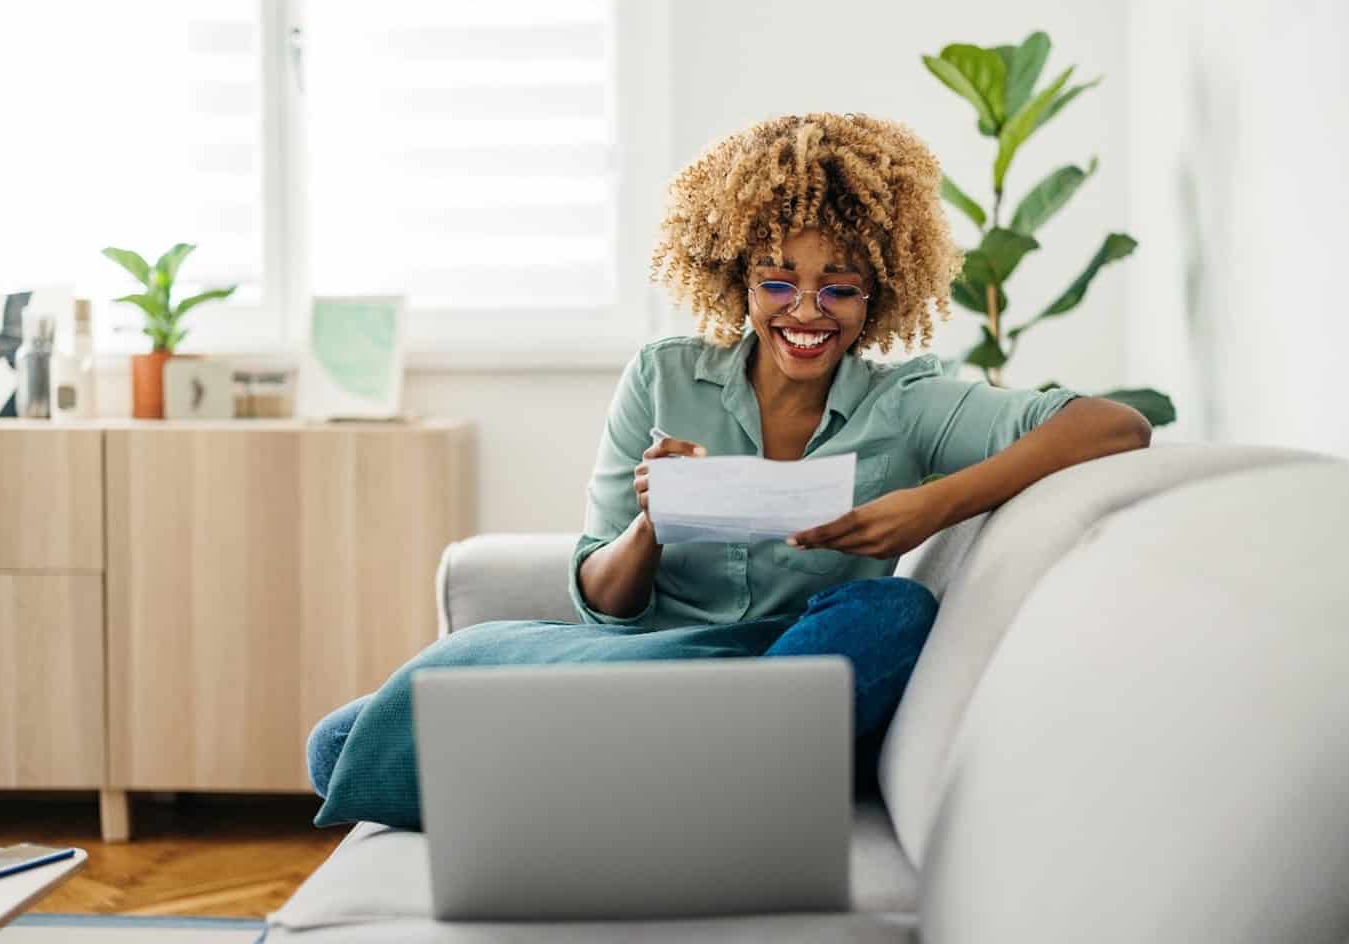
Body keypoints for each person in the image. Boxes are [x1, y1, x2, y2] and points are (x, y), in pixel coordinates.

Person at [307, 112, 1151, 796]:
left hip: (793, 670)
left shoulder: (909, 403)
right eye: (777, 281)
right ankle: (694, 775)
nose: (806, 311)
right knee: (339, 745)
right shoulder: (662, 377)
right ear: (737, 280)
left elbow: (1113, 426)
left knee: (890, 616)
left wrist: (931, 506)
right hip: (650, 669)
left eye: (840, 286)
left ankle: (681, 771)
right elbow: (606, 599)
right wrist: (651, 523)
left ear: (879, 291)